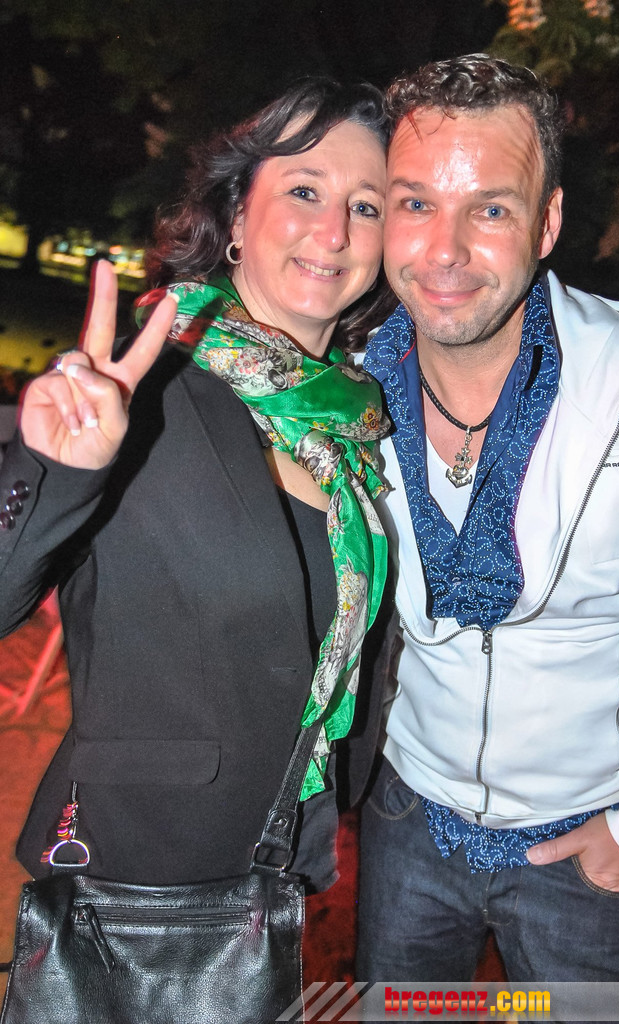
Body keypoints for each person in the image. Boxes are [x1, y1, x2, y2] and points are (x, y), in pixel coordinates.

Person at [0, 77, 392, 895]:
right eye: (305, 190)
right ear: (238, 217)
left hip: (278, 870)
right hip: (133, 876)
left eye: (367, 206)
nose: (334, 231)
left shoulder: (355, 423)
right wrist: (57, 470)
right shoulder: (144, 392)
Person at [356, 54, 619, 984]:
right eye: (417, 203)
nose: (445, 250)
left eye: (491, 209)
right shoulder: (344, 391)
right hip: (406, 820)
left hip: (594, 851)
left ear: (547, 223)